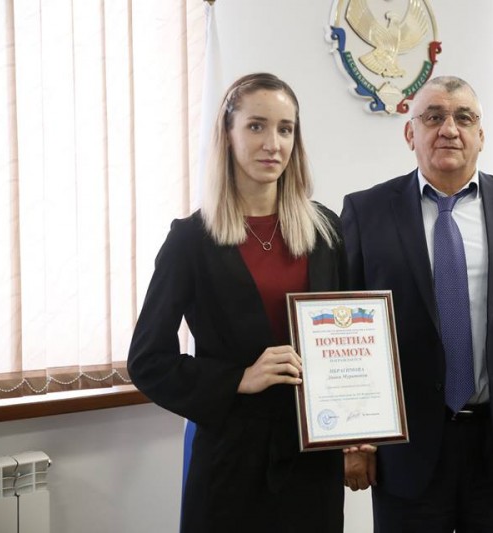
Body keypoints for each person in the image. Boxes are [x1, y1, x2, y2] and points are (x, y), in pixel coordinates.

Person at [341, 76, 493, 532]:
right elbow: (349, 336)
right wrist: (353, 440)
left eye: (464, 118)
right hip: (405, 449)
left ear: (481, 134)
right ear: (410, 133)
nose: (449, 129)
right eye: (433, 117)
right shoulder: (366, 212)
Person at [128, 73, 347, 533]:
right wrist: (238, 379)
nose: (273, 144)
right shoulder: (191, 240)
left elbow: (352, 339)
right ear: (227, 134)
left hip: (313, 458)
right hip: (232, 459)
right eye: (256, 126)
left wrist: (362, 425)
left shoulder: (326, 230)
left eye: (285, 129)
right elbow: (148, 361)